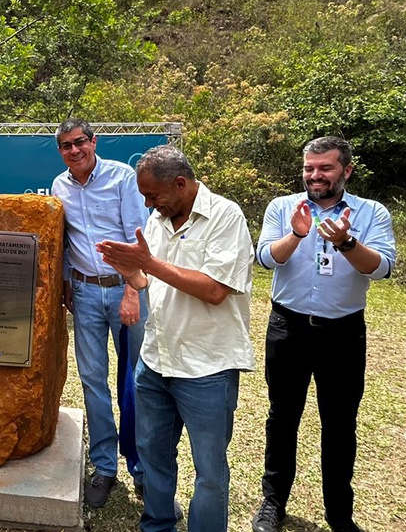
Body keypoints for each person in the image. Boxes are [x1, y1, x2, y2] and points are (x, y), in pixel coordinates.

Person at [97, 144, 254, 532]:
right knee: (153, 455)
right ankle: (158, 524)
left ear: (180, 183)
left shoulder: (225, 216)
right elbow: (149, 281)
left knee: (210, 469)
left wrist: (148, 263)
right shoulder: (158, 220)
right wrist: (131, 272)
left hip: (206, 366)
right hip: (156, 360)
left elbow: (216, 290)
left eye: (154, 195)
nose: (149, 204)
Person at [251, 136, 396, 532]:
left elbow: (381, 268)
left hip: (343, 333)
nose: (315, 176)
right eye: (309, 168)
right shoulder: (283, 208)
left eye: (325, 168)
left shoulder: (371, 212)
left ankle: (339, 515)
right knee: (282, 417)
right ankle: (273, 503)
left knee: (339, 422)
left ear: (346, 170)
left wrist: (346, 242)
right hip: (288, 327)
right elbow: (265, 258)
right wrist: (297, 235)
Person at [51, 118, 149, 507]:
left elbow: (138, 239)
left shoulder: (122, 177)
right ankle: (104, 466)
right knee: (93, 381)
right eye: (66, 146)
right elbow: (64, 241)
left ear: (94, 142)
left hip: (126, 290)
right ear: (60, 151)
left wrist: (131, 290)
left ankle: (141, 468)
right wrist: (63, 284)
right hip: (85, 294)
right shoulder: (59, 186)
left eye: (80, 143)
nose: (74, 151)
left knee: (137, 381)